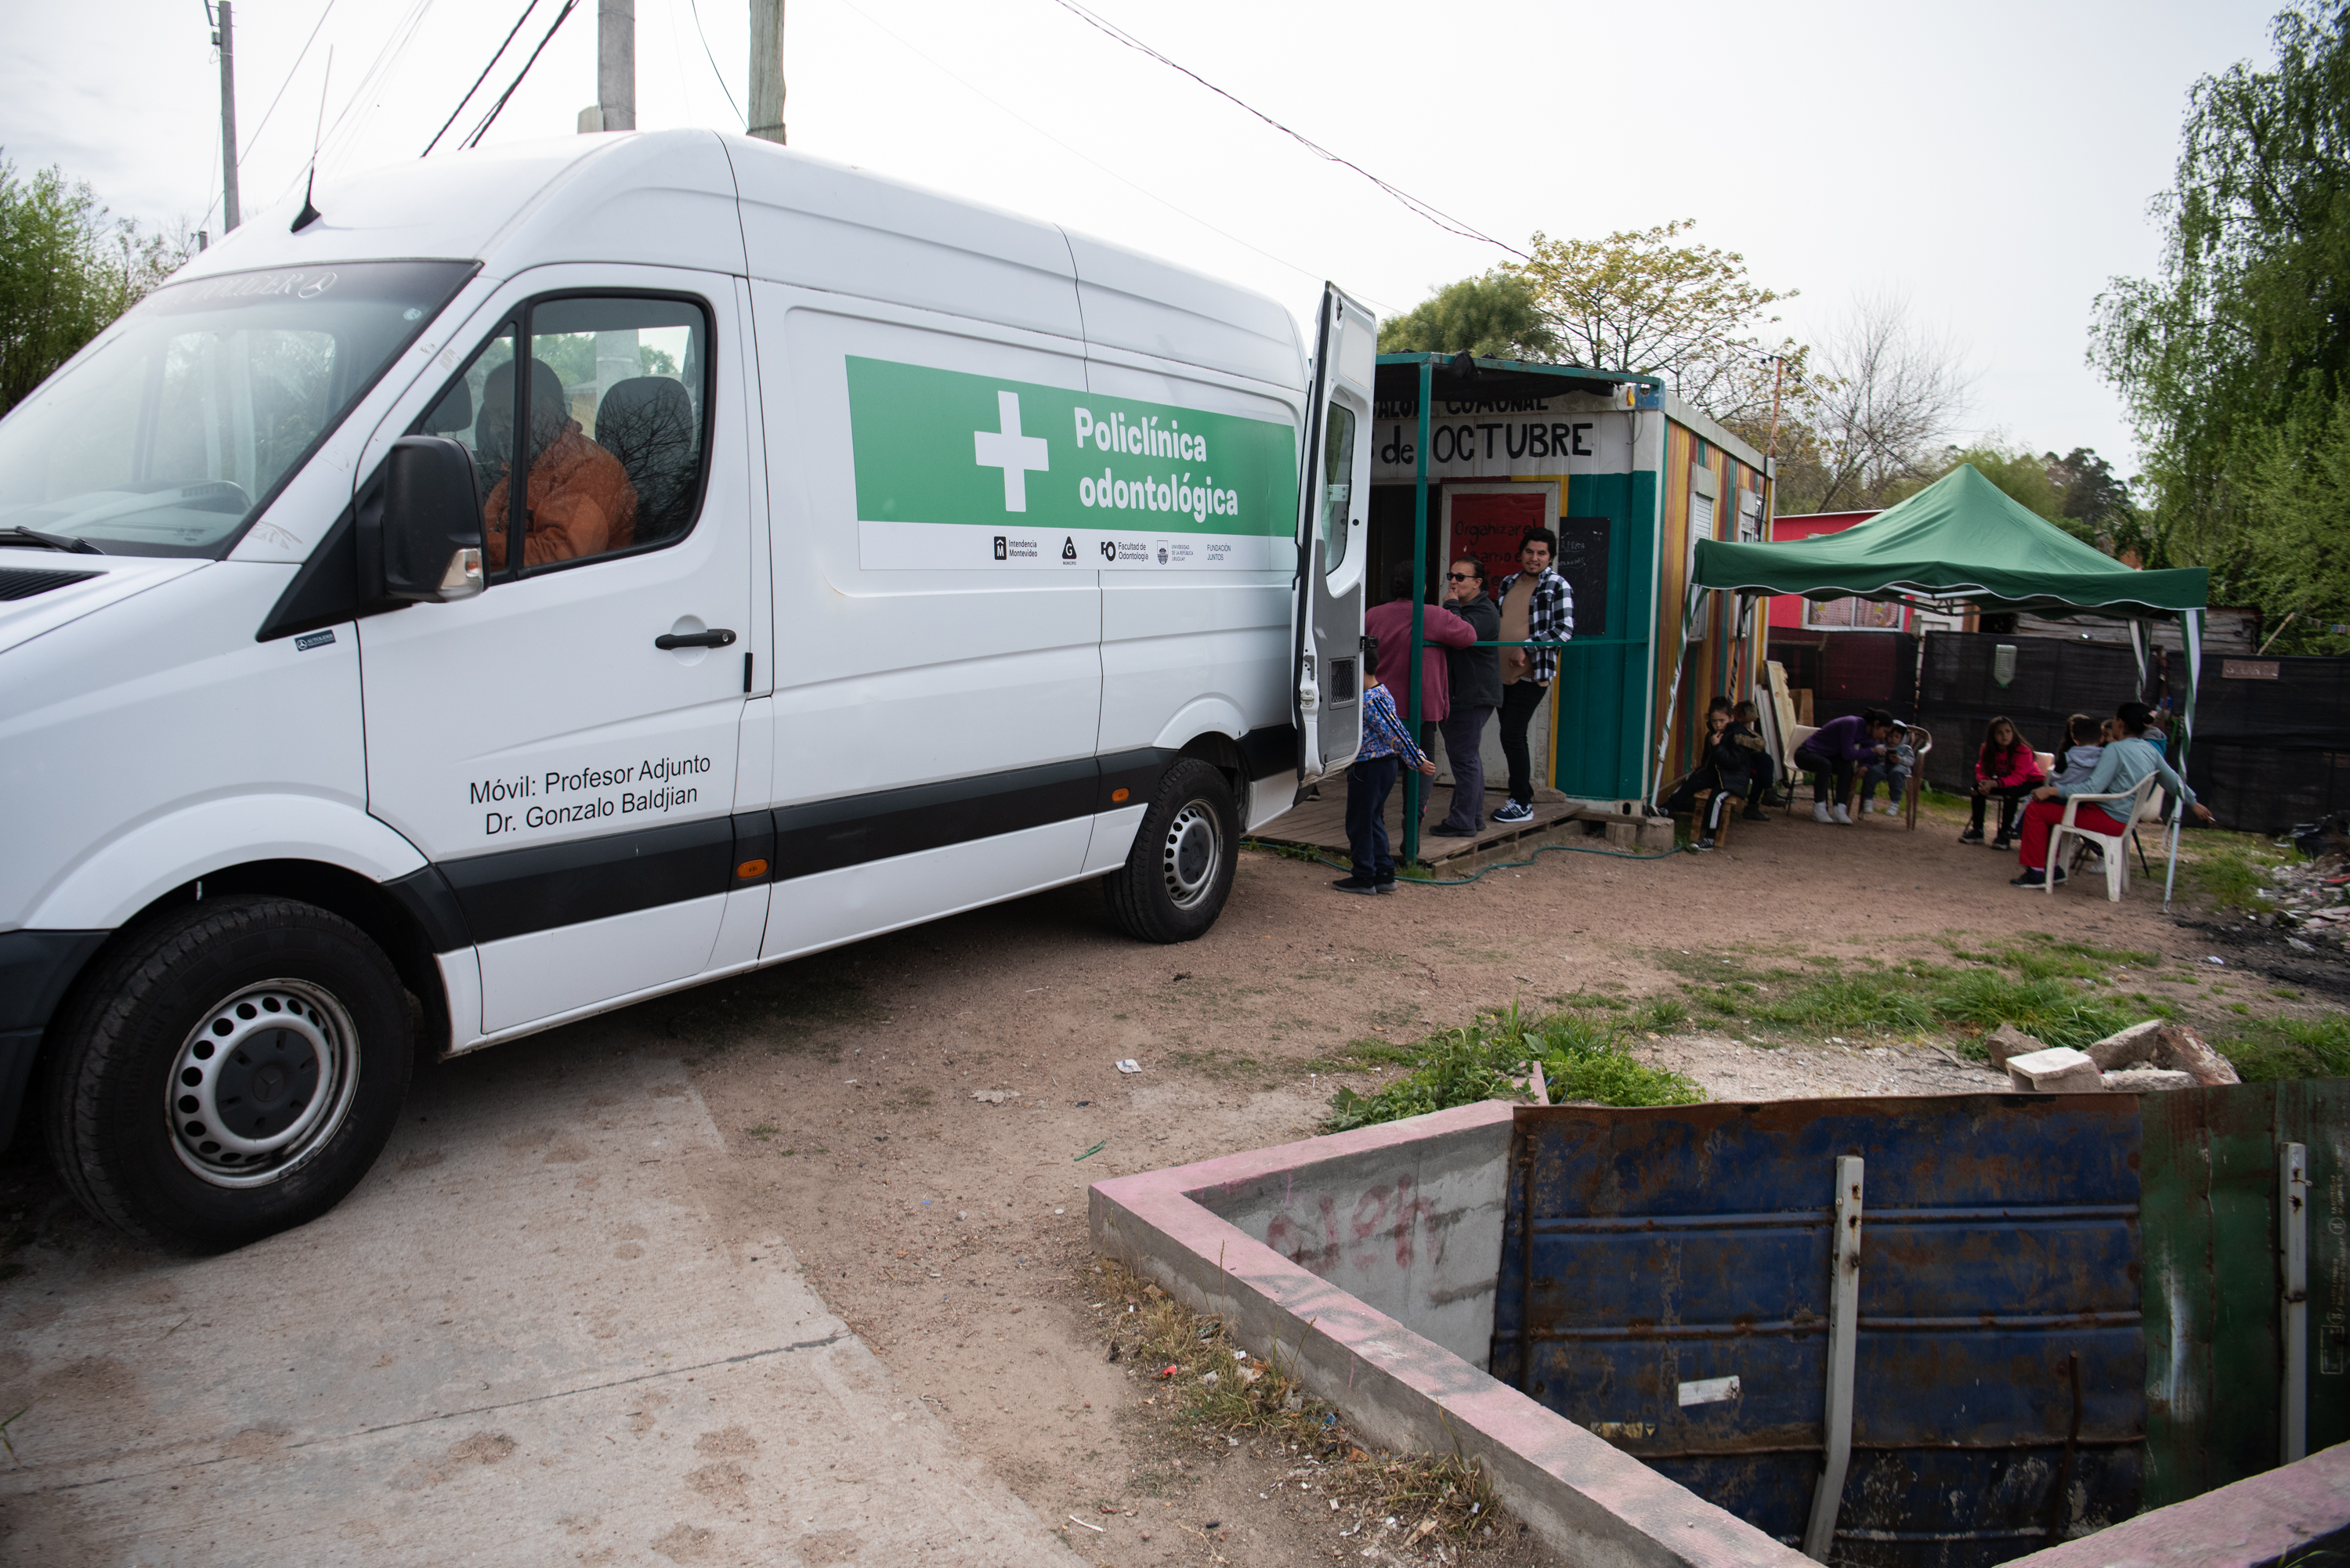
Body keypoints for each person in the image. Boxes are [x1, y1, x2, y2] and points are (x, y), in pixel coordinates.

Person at [2011, 701, 2214, 887]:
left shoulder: (2115, 750)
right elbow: (2172, 779)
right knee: (2051, 809)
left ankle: (2038, 873)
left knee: (2036, 810)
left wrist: (2051, 789)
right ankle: (2053, 870)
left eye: (2115, 719)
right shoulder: (2151, 750)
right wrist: (2193, 802)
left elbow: (2091, 789)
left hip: (2107, 818)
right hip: (2125, 820)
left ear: (2120, 723)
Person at [479, 357, 638, 570]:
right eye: (491, 417)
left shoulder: (591, 471)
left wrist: (478, 551)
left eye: (508, 416)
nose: (494, 429)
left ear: (548, 411)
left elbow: (561, 556)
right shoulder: (524, 467)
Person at [1333, 637, 1438, 895]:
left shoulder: (1371, 700)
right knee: (1373, 819)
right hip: (1383, 766)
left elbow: (1395, 730)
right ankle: (1383, 872)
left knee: (1359, 822)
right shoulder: (1382, 692)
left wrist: (1417, 759)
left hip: (1370, 767)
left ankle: (1364, 875)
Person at [1489, 529, 1572, 824]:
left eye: (1541, 553)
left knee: (1512, 734)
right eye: (1529, 552)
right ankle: (1521, 795)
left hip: (1531, 675)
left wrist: (1527, 647)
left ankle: (1521, 802)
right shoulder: (1509, 582)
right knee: (1509, 736)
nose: (1534, 558)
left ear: (1550, 557)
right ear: (1521, 552)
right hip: (1501, 675)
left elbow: (1564, 630)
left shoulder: (1557, 585)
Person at [1430, 557, 1502, 838]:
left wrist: (1450, 606)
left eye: (1461, 577)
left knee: (1464, 758)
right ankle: (1472, 817)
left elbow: (1458, 633)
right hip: (1464, 693)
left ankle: (1462, 821)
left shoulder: (1483, 611)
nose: (1453, 581)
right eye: (1451, 575)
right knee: (1468, 757)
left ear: (1477, 582)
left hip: (1471, 695)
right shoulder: (1471, 607)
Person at [1665, 699, 1764, 850]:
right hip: (1718, 774)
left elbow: (1733, 763)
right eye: (1714, 721)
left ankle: (1710, 838)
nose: (1718, 724)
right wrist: (1702, 772)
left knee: (1716, 798)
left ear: (1731, 718)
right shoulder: (1713, 734)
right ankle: (1666, 808)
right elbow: (1708, 760)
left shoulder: (1738, 736)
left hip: (1735, 779)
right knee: (1694, 780)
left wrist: (1717, 747)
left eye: (1722, 720)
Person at [1791, 709, 1894, 824]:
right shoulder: (1852, 723)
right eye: (1884, 731)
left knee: (1846, 768)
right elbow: (1848, 754)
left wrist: (1865, 766)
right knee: (1825, 765)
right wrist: (1872, 750)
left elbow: (1868, 757)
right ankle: (1819, 808)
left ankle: (1840, 810)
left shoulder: (1870, 736)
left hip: (1828, 757)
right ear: (1876, 723)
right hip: (1806, 753)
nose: (1884, 736)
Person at [1961, 717, 2044, 848]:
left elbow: (2019, 778)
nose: (2004, 735)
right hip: (2005, 782)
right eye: (1999, 732)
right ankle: (1977, 831)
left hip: (2031, 782)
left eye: (2008, 731)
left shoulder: (2023, 750)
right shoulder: (1987, 748)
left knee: (2011, 792)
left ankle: (2004, 836)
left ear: (2013, 733)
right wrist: (1984, 782)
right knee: (1977, 789)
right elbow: (1982, 768)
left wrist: (1994, 784)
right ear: (1992, 735)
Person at [1730, 700, 1777, 819]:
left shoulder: (1740, 726)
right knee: (1762, 769)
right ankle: (1758, 801)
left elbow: (1757, 743)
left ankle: (1768, 792)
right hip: (1735, 761)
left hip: (1743, 758)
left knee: (1765, 761)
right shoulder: (1733, 726)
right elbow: (1751, 743)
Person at [1858, 722, 1916, 815]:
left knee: (1897, 773)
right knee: (1873, 771)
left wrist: (1900, 760)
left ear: (1902, 738)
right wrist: (1878, 754)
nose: (1893, 739)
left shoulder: (1906, 748)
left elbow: (1911, 760)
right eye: (1890, 736)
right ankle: (1868, 799)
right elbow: (1872, 759)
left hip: (1900, 767)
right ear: (1885, 736)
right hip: (1883, 766)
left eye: (1897, 737)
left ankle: (1895, 802)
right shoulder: (1882, 747)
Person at [2048, 714, 2104, 792]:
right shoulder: (2104, 756)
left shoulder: (2067, 757)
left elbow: (2053, 777)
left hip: (2059, 795)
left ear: (2074, 738)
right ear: (2102, 738)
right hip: (2087, 798)